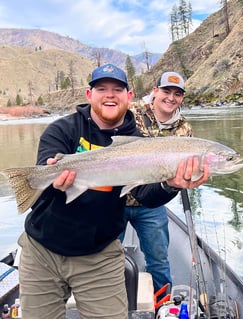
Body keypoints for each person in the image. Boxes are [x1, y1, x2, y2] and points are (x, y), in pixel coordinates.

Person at [17, 64, 210, 319]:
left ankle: (163, 302)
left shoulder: (137, 141)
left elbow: (144, 195)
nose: (110, 95)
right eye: (102, 89)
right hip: (43, 249)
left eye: (117, 89)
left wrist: (171, 184)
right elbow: (43, 172)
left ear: (128, 97)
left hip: (99, 254)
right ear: (89, 95)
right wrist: (53, 180)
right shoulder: (62, 129)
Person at [121, 72, 192, 297]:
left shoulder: (185, 131)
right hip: (115, 200)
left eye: (177, 94)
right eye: (166, 91)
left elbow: (183, 173)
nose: (171, 97)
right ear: (155, 91)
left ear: (182, 98)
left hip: (152, 205)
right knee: (104, 257)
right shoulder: (129, 114)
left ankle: (162, 303)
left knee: (159, 260)